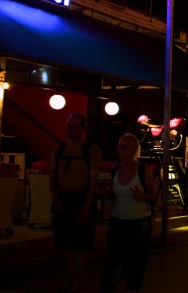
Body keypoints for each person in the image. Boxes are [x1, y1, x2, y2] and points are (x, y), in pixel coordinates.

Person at [50, 112, 102, 293]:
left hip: (82, 198)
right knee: (61, 245)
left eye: (73, 126)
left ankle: (77, 281)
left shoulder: (91, 149)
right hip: (63, 198)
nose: (69, 129)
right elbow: (53, 176)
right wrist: (54, 198)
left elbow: (93, 180)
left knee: (80, 245)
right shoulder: (59, 149)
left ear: (82, 129)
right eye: (67, 125)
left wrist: (86, 206)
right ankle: (69, 274)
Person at [100, 133, 156, 293]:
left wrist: (140, 196)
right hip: (119, 217)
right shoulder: (116, 169)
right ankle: (109, 285)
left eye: (125, 146)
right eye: (119, 146)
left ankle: (133, 284)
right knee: (114, 254)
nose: (121, 149)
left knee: (137, 255)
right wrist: (107, 193)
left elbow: (152, 194)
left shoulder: (142, 170)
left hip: (139, 219)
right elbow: (115, 192)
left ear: (134, 149)